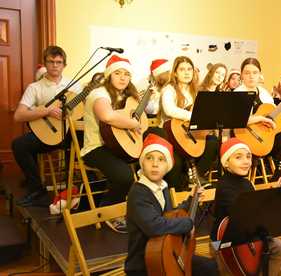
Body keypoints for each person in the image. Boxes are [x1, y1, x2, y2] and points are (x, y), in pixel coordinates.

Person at [125, 134, 218, 276]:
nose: (155, 164)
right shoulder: (138, 193)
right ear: (142, 163)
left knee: (211, 268)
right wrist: (187, 224)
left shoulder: (163, 187)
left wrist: (191, 201)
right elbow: (155, 226)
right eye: (149, 158)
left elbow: (169, 216)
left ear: (167, 166)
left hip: (167, 254)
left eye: (161, 160)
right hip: (145, 265)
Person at [12, 46, 79, 207]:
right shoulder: (35, 88)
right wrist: (46, 111)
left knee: (88, 139)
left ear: (64, 65)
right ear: (45, 64)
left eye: (59, 62)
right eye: (51, 61)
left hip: (71, 133)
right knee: (19, 145)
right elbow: (18, 115)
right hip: (49, 134)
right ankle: (36, 189)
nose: (55, 65)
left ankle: (80, 187)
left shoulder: (74, 85)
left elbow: (85, 109)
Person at [80, 55, 140, 233]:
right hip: (95, 148)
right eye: (118, 73)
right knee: (124, 176)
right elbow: (107, 116)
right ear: (108, 75)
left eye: (127, 74)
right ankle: (108, 211)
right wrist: (133, 124)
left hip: (116, 146)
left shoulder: (125, 96)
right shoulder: (99, 94)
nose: (123, 78)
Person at [211, 138, 281, 276]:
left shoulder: (247, 183)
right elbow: (243, 213)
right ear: (226, 163)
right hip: (224, 242)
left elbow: (256, 212)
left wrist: (277, 194)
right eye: (238, 157)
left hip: (248, 235)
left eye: (248, 157)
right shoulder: (223, 186)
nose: (246, 161)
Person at [234, 58, 281, 180]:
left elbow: (274, 115)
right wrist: (260, 118)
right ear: (242, 75)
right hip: (246, 136)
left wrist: (276, 121)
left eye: (255, 72)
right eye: (247, 73)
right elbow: (236, 119)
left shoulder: (264, 93)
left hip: (266, 136)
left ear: (259, 75)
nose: (251, 76)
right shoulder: (237, 93)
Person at [159, 56, 218, 191]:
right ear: (175, 72)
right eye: (182, 69)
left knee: (213, 141)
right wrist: (194, 116)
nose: (186, 73)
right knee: (176, 160)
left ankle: (198, 175)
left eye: (189, 69)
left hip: (190, 133)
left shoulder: (195, 91)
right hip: (172, 135)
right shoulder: (169, 89)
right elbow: (170, 110)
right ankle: (181, 187)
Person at [143, 58, 170, 138]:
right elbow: (148, 110)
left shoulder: (171, 88)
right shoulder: (147, 88)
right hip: (153, 127)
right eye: (166, 73)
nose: (169, 76)